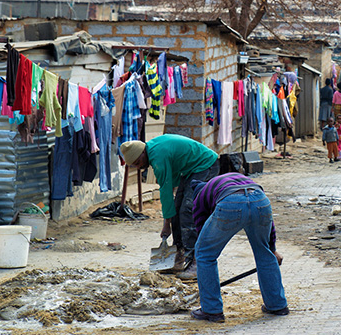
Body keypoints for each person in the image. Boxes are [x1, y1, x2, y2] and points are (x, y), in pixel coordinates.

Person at [190, 173, 288, 323]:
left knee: (204, 254)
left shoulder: (199, 198)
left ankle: (211, 310)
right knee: (264, 252)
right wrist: (272, 249)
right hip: (260, 200)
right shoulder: (225, 180)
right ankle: (277, 305)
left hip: (231, 202)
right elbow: (270, 224)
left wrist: (204, 251)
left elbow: (201, 231)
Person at [120, 135, 220, 279]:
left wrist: (166, 224)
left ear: (142, 153)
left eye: (138, 162)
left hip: (205, 165)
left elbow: (165, 191)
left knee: (188, 210)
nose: (139, 167)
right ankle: (178, 255)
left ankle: (197, 262)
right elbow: (171, 188)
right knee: (178, 208)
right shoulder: (152, 149)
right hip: (190, 169)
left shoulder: (157, 158)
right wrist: (171, 216)